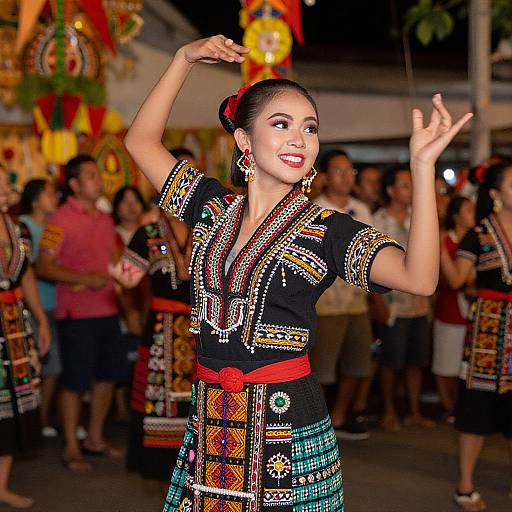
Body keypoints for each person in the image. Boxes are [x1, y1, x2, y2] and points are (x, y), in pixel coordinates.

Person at [123, 35, 471, 511]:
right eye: (282, 124)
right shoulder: (212, 208)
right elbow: (139, 141)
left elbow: (420, 278)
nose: (299, 140)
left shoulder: (327, 229)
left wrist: (423, 165)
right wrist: (183, 58)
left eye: (310, 128)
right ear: (244, 140)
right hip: (212, 421)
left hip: (287, 426)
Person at [37, 154, 126, 472]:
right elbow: (43, 266)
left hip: (107, 310)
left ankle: (95, 438)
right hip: (75, 314)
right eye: (90, 175)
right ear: (74, 184)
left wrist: (123, 275)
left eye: (98, 173)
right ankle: (72, 447)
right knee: (75, 381)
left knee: (109, 375)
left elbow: (111, 258)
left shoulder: (105, 218)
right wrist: (83, 279)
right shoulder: (58, 220)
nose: (98, 179)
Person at [440, 162, 512, 511]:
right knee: (477, 409)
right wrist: (438, 246)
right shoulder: (480, 234)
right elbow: (456, 279)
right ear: (496, 195)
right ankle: (465, 486)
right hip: (489, 330)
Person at [110, 207, 195, 481]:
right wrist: (130, 306)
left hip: (201, 331)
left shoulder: (210, 230)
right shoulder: (148, 234)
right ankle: (162, 469)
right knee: (159, 399)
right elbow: (125, 279)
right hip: (162, 330)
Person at [309, 149, 374, 440]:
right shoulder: (314, 210)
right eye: (339, 170)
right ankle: (316, 421)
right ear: (324, 177)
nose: (347, 177)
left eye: (351, 171)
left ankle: (339, 416)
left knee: (357, 362)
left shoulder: (363, 210)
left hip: (357, 300)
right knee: (322, 367)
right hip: (325, 304)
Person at [0, 167, 51, 508]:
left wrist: (41, 319)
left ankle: (1, 485)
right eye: (1, 182)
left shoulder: (17, 229)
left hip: (14, 323)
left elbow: (27, 275)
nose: (8, 187)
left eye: (7, 180)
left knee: (12, 407)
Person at [373, 165, 436, 432]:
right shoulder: (378, 221)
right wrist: (377, 304)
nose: (410, 190)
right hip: (392, 304)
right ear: (390, 190)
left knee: (416, 361)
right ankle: (389, 411)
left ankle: (414, 410)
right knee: (391, 361)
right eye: (404, 185)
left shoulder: (418, 217)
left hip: (418, 303)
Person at [19, 179, 61, 438]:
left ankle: (41, 419)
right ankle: (33, 422)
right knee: (38, 366)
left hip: (55, 304)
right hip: (32, 305)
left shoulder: (55, 227)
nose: (55, 197)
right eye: (49, 193)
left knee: (53, 368)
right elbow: (28, 268)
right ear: (35, 199)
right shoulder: (23, 225)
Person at [433, 196, 475, 422]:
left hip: (470, 312)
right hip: (450, 308)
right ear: (456, 215)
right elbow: (454, 281)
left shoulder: (477, 239)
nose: (474, 213)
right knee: (445, 362)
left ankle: (459, 407)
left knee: (463, 364)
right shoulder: (444, 241)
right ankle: (449, 407)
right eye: (469, 209)